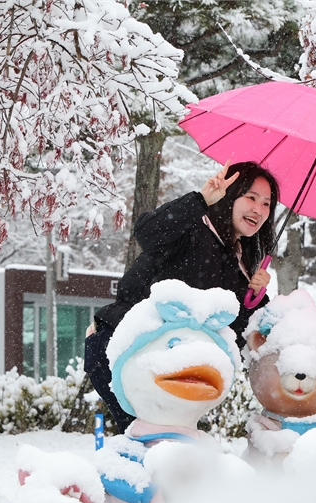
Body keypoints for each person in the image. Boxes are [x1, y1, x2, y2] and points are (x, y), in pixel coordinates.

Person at [85, 161, 280, 433]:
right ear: (229, 195)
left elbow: (233, 334)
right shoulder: (194, 227)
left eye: (267, 204)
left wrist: (256, 296)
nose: (258, 210)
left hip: (171, 364)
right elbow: (146, 233)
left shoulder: (239, 262)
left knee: (163, 444)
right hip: (125, 348)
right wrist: (201, 199)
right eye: (251, 197)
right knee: (154, 441)